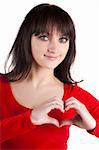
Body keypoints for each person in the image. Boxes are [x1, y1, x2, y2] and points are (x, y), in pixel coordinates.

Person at [0, 3, 99, 150]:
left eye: (63, 39)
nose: (54, 48)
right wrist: (29, 119)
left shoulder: (73, 95)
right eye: (44, 37)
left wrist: (93, 125)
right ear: (27, 38)